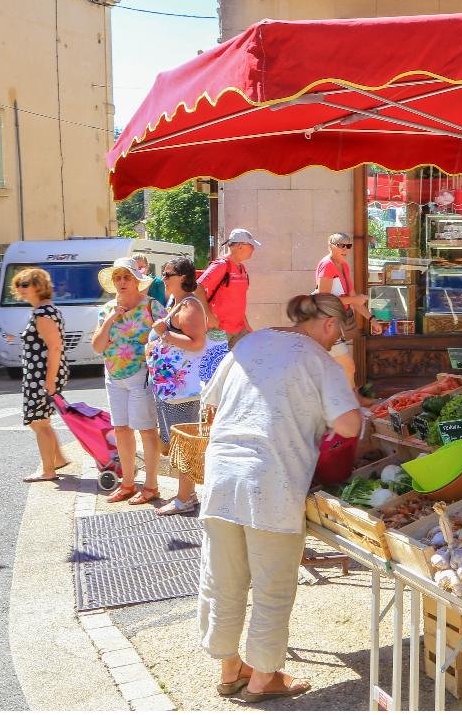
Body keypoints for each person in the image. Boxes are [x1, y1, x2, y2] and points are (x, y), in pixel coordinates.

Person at [197, 293, 362, 702]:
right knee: (272, 586)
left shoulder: (252, 341)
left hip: (221, 472)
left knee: (224, 579)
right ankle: (263, 679)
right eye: (338, 333)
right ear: (328, 325)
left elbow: (213, 402)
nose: (335, 340)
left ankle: (229, 669)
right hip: (272, 478)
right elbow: (348, 425)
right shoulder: (320, 360)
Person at [147, 257, 230, 516]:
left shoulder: (190, 306)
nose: (164, 277)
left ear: (183, 277)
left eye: (168, 273)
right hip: (170, 390)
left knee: (183, 444)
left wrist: (164, 333)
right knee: (175, 442)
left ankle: (185, 498)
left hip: (182, 392)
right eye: (163, 272)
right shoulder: (177, 303)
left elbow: (196, 343)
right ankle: (186, 494)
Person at [91, 257, 165, 505]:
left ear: (136, 280)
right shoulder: (106, 309)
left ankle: (152, 485)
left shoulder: (152, 307)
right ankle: (128, 483)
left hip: (140, 374)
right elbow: (98, 347)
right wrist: (112, 318)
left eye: (127, 277)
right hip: (113, 375)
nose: (122, 282)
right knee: (122, 430)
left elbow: (166, 338)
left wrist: (150, 346)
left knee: (146, 430)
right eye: (118, 278)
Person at [16, 268, 71, 483]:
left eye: (24, 284)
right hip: (40, 373)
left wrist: (49, 381)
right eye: (19, 284)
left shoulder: (42, 314)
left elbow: (55, 348)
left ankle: (48, 470)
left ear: (38, 286)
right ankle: (57, 459)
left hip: (42, 374)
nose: (20, 289)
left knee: (39, 422)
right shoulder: (46, 310)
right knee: (41, 420)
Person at [314, 231, 380, 387]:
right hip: (326, 324)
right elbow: (323, 300)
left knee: (338, 369)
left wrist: (371, 319)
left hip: (336, 323)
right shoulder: (327, 265)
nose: (345, 249)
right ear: (330, 246)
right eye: (341, 245)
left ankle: (345, 403)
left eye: (348, 245)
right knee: (348, 366)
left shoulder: (343, 265)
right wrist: (354, 299)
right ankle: (352, 403)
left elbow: (353, 298)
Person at [197, 229, 258, 348]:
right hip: (219, 330)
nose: (253, 249)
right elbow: (197, 287)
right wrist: (210, 316)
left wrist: (246, 325)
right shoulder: (221, 265)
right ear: (240, 246)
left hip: (239, 329)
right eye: (251, 246)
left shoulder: (242, 268)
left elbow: (238, 299)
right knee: (218, 365)